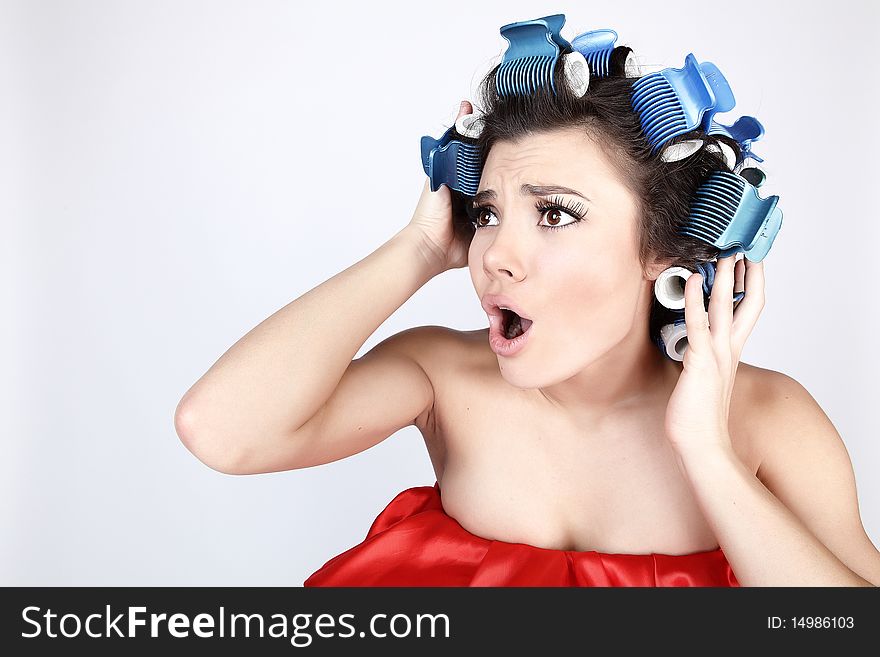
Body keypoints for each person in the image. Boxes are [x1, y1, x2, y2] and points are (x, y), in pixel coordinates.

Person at [173, 16, 880, 587]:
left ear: (661, 251)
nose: (494, 255)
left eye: (555, 213)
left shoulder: (770, 421)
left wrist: (708, 453)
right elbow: (221, 429)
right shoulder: (440, 379)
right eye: (485, 215)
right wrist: (417, 250)